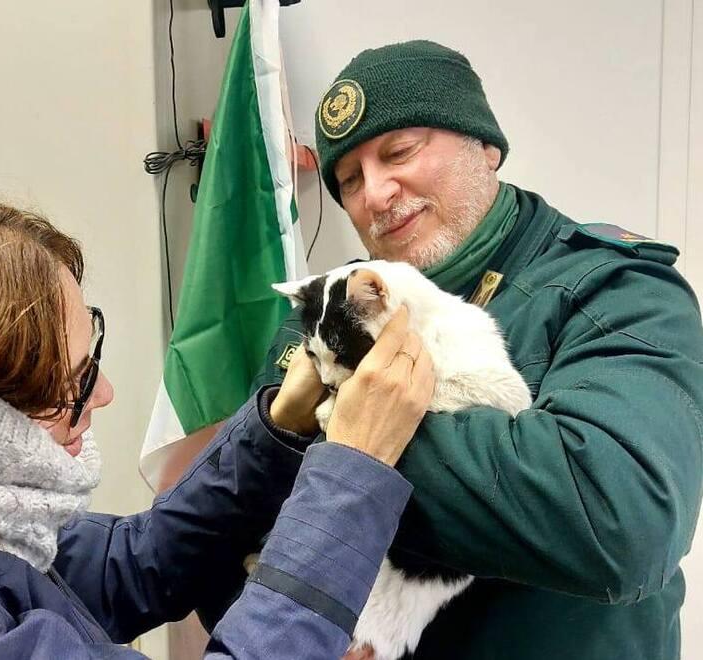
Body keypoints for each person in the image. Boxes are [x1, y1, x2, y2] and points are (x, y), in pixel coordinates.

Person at [246, 40, 703, 659]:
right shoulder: (334, 310)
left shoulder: (615, 292)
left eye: (399, 152)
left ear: (485, 146)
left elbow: (618, 522)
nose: (376, 194)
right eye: (349, 180)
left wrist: (352, 439)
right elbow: (240, 520)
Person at [0, 189, 435, 659]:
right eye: (72, 382)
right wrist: (352, 472)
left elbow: (130, 566)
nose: (104, 394)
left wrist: (276, 429)